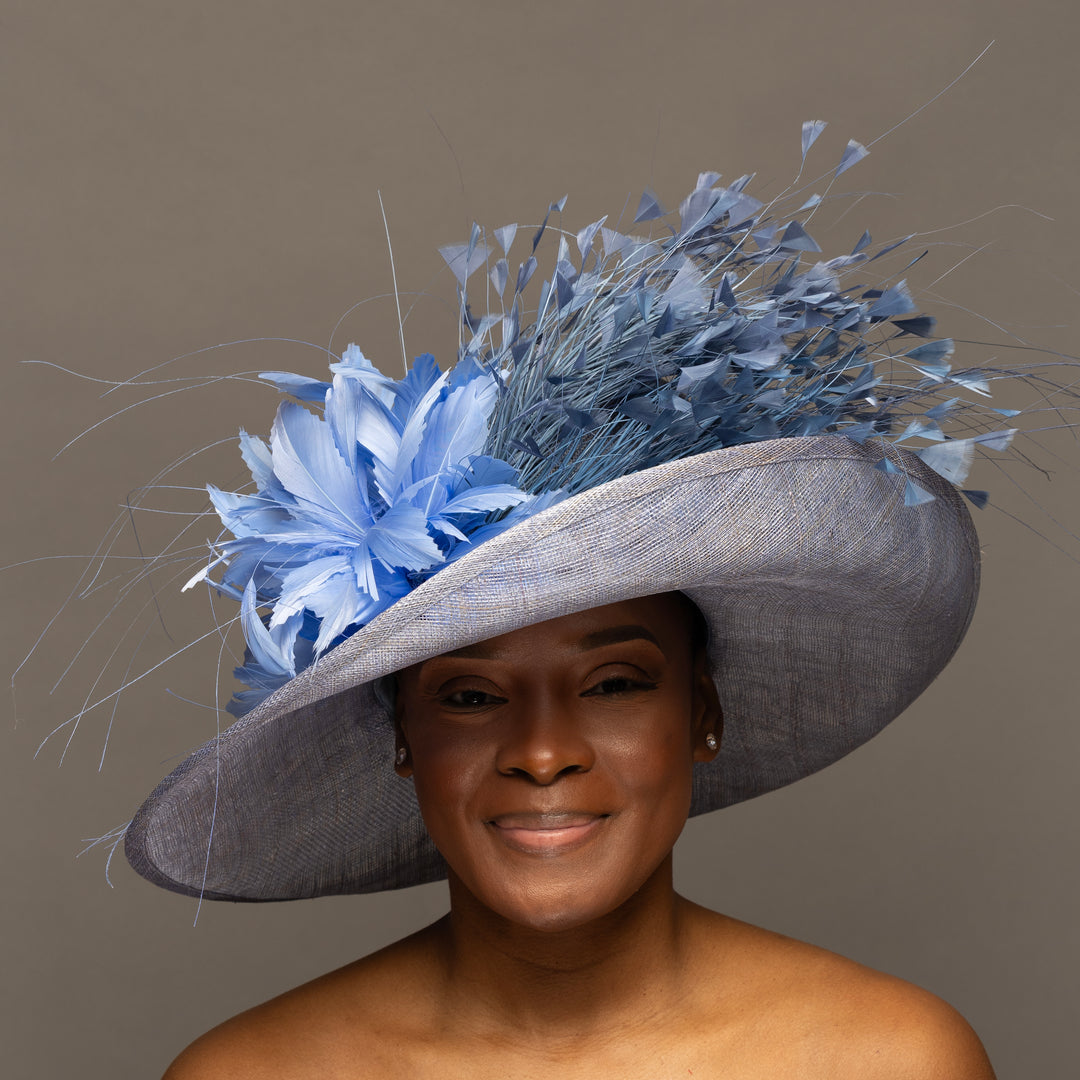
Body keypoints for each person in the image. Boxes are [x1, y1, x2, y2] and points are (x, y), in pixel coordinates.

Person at [68, 142, 1032, 1077]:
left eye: (613, 683)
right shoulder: (253, 1074)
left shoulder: (887, 1060)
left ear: (703, 710)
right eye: (470, 696)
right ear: (400, 734)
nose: (541, 753)